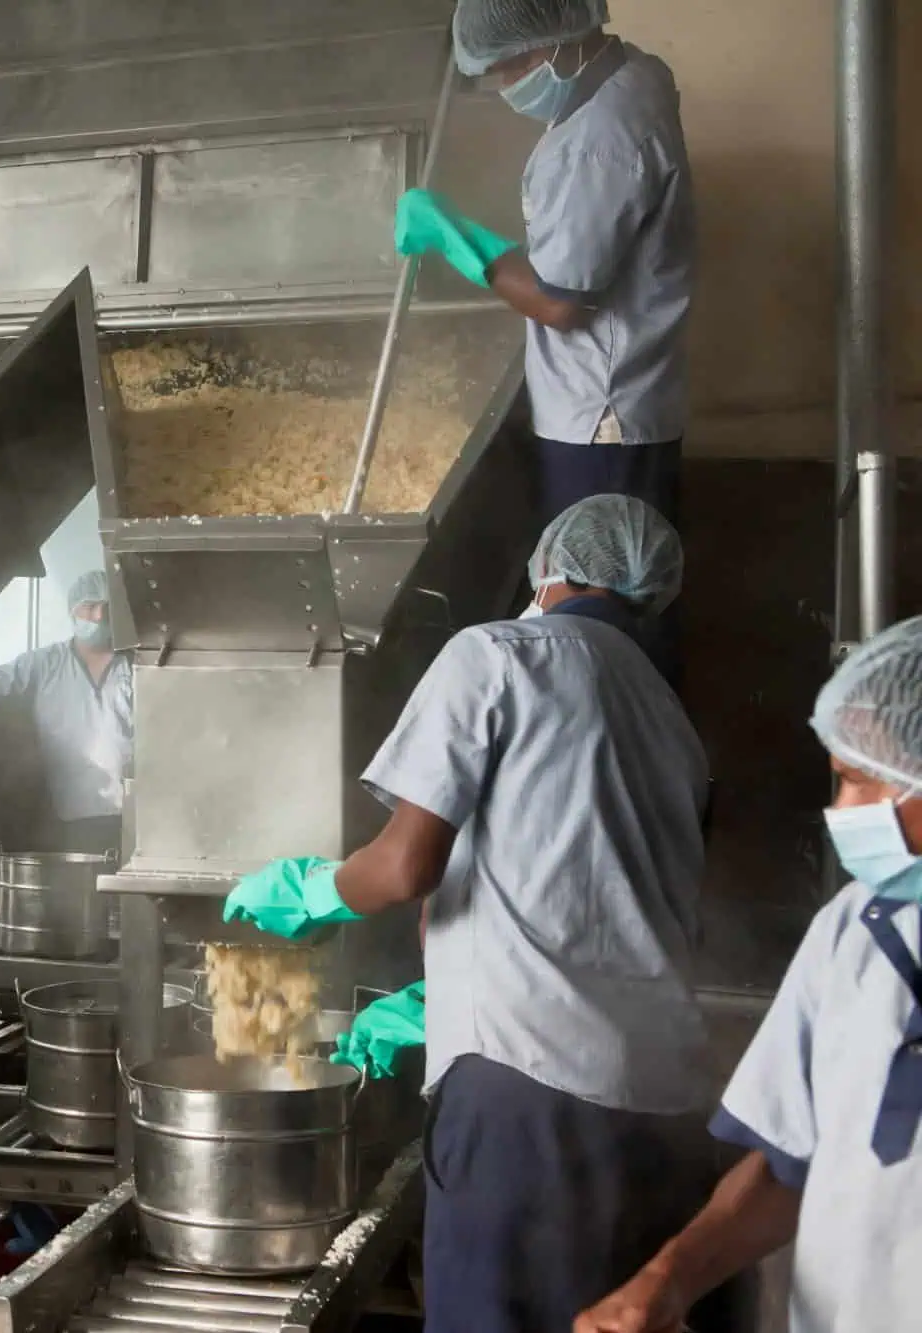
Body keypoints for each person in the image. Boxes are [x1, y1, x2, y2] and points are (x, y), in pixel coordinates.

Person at [225, 494, 718, 1332]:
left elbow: (408, 862)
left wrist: (314, 890)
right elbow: (592, 892)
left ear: (552, 565)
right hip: (660, 1108)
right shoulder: (673, 722)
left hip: (528, 1104)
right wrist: (437, 997)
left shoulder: (498, 655)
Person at [576, 618, 922, 1333]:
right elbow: (788, 1162)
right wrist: (665, 1279)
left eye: (864, 781)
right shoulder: (853, 929)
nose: (842, 812)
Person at [396, 0, 693, 681]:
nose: (507, 88)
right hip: (632, 388)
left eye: (511, 69)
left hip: (601, 415)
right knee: (632, 584)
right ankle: (638, 717)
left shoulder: (601, 138)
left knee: (600, 597)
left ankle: (613, 733)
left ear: (555, 42)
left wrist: (458, 237)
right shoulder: (632, 73)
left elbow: (559, 302)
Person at [0, 570, 133, 852]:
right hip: (68, 813)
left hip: (131, 814)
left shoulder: (134, 665)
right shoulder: (45, 663)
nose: (99, 616)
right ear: (72, 611)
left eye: (106, 608)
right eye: (89, 608)